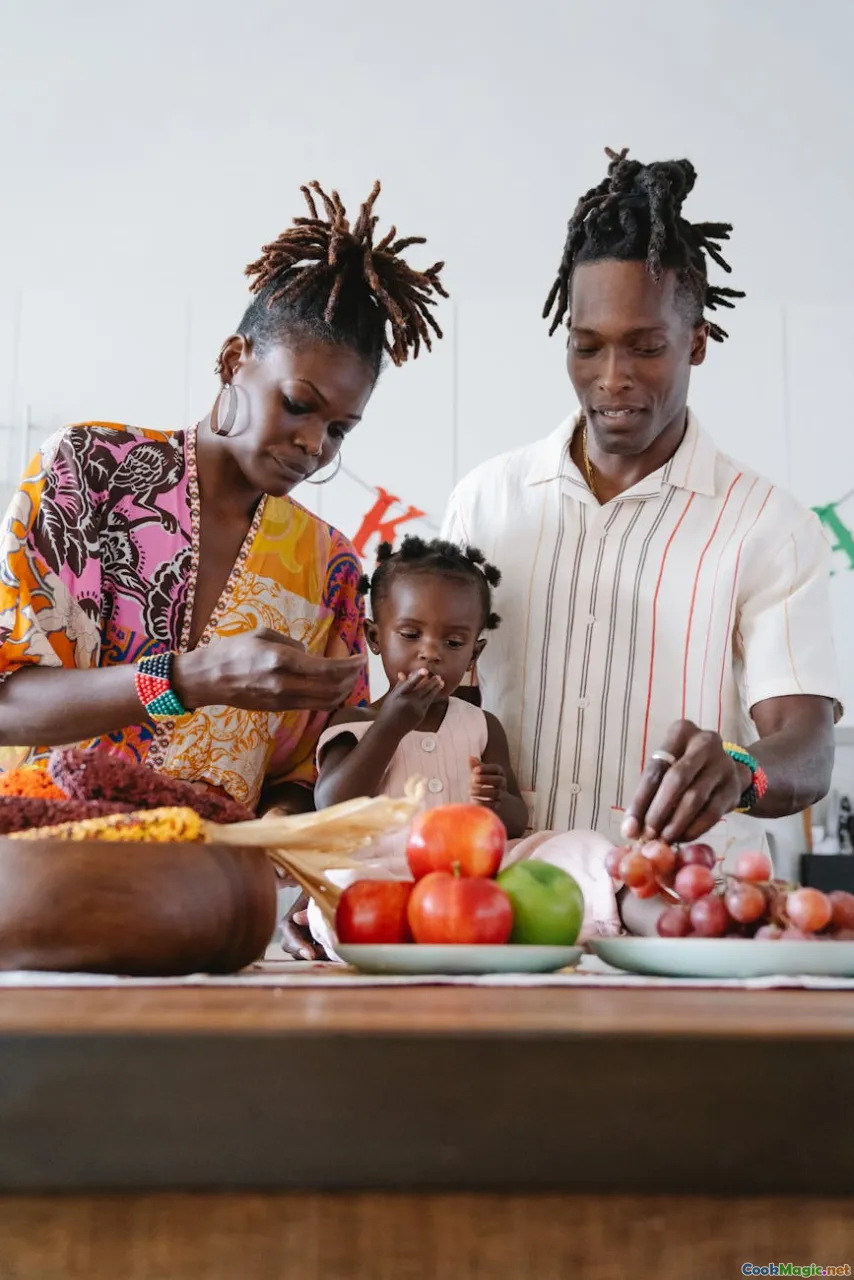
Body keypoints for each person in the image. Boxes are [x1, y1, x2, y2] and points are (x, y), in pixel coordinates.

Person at [441, 148, 840, 891]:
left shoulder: (767, 525)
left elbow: (809, 748)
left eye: (646, 348)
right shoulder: (486, 501)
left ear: (696, 343)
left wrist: (739, 770)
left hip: (674, 915)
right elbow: (437, 710)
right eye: (586, 347)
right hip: (488, 909)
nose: (612, 377)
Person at [0, 180, 448, 818]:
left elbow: (310, 770)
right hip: (51, 873)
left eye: (339, 430)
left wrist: (280, 825)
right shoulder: (89, 472)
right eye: (298, 404)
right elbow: (8, 703)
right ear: (235, 359)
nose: (314, 445)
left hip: (216, 897)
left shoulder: (329, 566)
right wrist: (191, 678)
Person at [306, 536, 621, 956]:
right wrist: (391, 727)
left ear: (475, 652)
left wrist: (496, 802)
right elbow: (330, 808)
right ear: (375, 637)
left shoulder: (480, 724)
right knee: (339, 888)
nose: (430, 653)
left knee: (580, 846)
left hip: (476, 880)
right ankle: (463, 933)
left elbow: (514, 822)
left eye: (453, 643)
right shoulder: (355, 722)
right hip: (385, 876)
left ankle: (463, 929)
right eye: (411, 634)